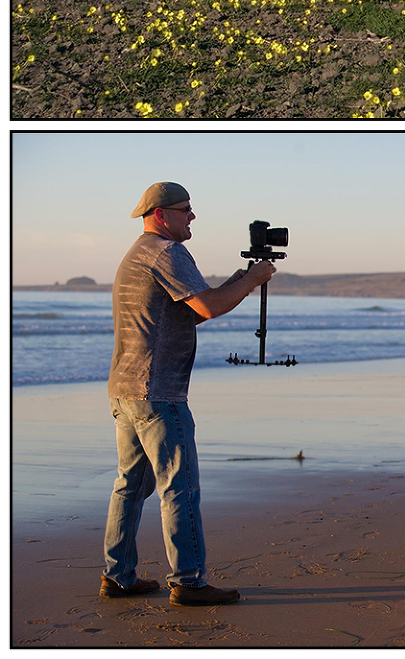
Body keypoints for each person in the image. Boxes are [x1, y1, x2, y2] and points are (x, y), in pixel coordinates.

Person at [100, 181, 276, 606]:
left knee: (130, 485)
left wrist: (241, 279)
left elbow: (183, 315)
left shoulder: (139, 253)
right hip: (158, 391)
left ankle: (117, 575)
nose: (192, 216)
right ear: (161, 214)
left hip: (127, 389)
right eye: (186, 210)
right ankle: (189, 581)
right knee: (179, 488)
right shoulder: (167, 252)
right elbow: (209, 308)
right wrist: (253, 279)